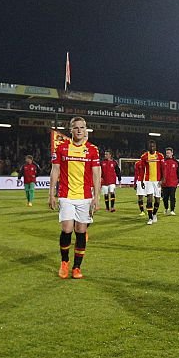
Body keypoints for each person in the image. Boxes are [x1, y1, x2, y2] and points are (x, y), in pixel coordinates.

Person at [48, 116, 102, 279]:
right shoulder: (62, 148)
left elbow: (96, 174)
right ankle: (64, 262)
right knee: (66, 229)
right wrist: (51, 193)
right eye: (76, 127)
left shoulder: (93, 149)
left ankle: (77, 267)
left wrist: (97, 197)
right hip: (66, 194)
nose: (79, 130)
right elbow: (55, 170)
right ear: (70, 130)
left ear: (86, 130)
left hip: (85, 197)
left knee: (81, 231)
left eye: (82, 127)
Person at [140, 141, 164, 225]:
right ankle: (150, 218)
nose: (152, 148)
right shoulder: (144, 156)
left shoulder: (160, 156)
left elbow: (163, 168)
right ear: (148, 147)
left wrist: (162, 179)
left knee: (157, 199)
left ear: (156, 147)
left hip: (157, 180)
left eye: (153, 146)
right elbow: (142, 169)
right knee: (149, 198)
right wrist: (142, 181)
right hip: (148, 180)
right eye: (150, 146)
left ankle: (154, 214)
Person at [161, 147, 179, 215]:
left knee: (172, 197)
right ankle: (166, 208)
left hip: (173, 183)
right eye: (166, 153)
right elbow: (160, 172)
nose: (167, 154)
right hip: (164, 183)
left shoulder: (176, 162)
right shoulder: (163, 162)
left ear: (172, 153)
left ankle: (172, 210)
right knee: (165, 198)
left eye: (169, 153)